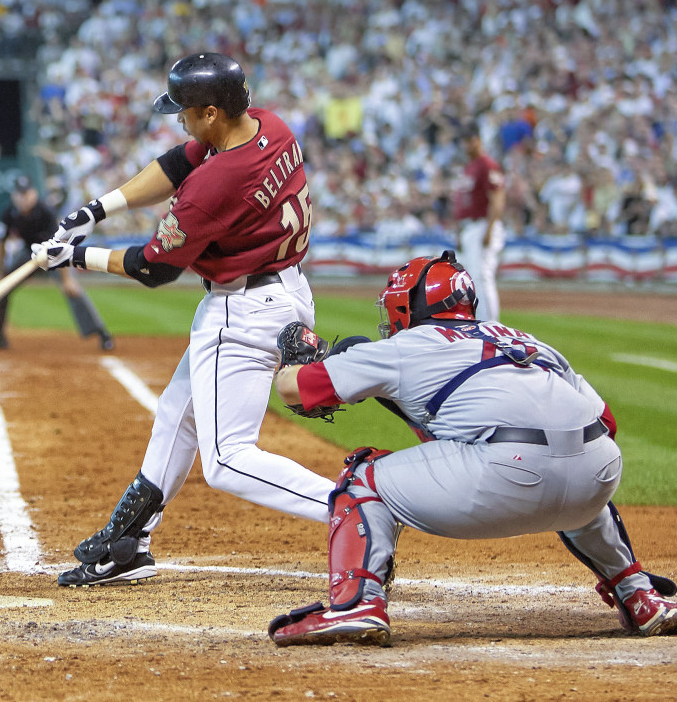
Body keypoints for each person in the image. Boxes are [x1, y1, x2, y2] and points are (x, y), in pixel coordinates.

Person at [32, 52, 336, 586]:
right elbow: (179, 161)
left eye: (187, 110)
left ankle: (351, 507)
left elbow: (154, 268)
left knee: (227, 459)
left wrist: (75, 257)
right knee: (179, 410)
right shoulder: (270, 126)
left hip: (242, 310)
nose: (180, 118)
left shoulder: (218, 183)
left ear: (213, 111)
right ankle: (131, 542)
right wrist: (95, 212)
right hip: (283, 290)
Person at [267, 251, 677, 646]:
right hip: (598, 476)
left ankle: (357, 603)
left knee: (362, 475)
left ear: (408, 307)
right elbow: (607, 423)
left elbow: (295, 390)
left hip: (505, 475)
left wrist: (292, 363)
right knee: (573, 453)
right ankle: (638, 594)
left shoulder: (405, 346)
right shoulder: (520, 336)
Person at [0, 175, 113, 352]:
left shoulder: (45, 211)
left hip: (54, 255)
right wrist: (0, 272)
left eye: (27, 193)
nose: (24, 197)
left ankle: (102, 333)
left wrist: (67, 279)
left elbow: (62, 244)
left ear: (34, 193)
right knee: (3, 286)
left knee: (74, 290)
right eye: (20, 194)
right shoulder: (9, 213)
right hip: (31, 255)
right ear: (14, 196)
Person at [454, 125, 505, 321]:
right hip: (469, 226)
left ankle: (491, 325)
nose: (467, 144)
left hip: (483, 224)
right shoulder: (470, 166)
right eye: (465, 141)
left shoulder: (486, 164)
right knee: (471, 278)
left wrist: (490, 229)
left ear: (478, 139)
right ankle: (478, 321)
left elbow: (497, 197)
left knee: (482, 277)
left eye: (470, 140)